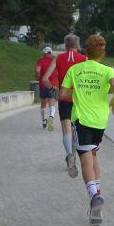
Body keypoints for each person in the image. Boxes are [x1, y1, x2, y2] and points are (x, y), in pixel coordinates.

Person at [60, 34, 114, 226]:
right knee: (93, 155)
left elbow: (62, 93)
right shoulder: (107, 70)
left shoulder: (74, 69)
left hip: (82, 119)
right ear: (102, 53)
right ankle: (98, 196)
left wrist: (75, 90)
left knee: (85, 158)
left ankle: (94, 196)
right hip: (100, 122)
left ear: (86, 50)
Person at [51, 34, 86, 177]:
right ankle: (75, 158)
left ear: (65, 45)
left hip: (64, 98)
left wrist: (54, 88)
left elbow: (45, 78)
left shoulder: (58, 58)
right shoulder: (84, 59)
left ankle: (70, 155)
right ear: (77, 45)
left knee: (66, 131)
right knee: (76, 130)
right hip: (79, 100)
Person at [36, 46, 58, 131]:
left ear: (44, 53)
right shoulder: (55, 61)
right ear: (50, 53)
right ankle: (51, 117)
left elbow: (38, 70)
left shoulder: (41, 60)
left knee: (43, 103)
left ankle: (44, 120)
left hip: (43, 84)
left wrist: (38, 77)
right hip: (53, 85)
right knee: (52, 103)